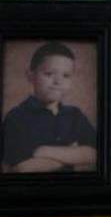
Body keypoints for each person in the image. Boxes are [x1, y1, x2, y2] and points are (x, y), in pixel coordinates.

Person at [1, 41, 96, 173]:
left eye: (66, 75)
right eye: (49, 74)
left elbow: (94, 154)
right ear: (31, 76)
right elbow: (22, 168)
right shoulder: (16, 117)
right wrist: (73, 153)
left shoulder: (75, 115)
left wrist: (44, 151)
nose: (58, 81)